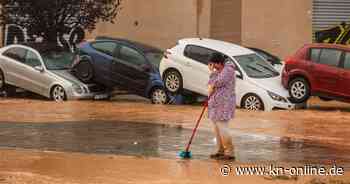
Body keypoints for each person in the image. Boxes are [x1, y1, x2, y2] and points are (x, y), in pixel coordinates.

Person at [207, 53, 236, 160]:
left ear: (219, 63)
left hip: (224, 103)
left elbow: (218, 82)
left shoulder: (228, 70)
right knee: (216, 128)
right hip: (215, 103)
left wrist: (213, 72)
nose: (214, 67)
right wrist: (213, 73)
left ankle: (230, 152)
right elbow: (210, 83)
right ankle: (220, 150)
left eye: (214, 65)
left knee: (223, 127)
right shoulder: (219, 70)